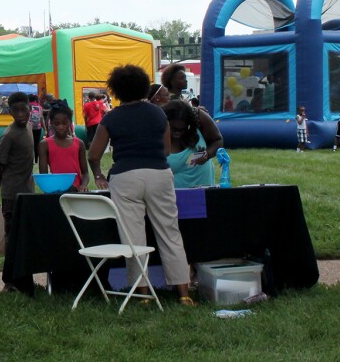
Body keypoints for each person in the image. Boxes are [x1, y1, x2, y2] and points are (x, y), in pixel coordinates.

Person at [88, 64, 196, 306]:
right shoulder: (158, 113)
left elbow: (94, 154)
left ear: (115, 90)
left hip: (125, 177)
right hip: (159, 173)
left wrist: (98, 175)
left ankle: (143, 293)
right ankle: (184, 293)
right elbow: (167, 149)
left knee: (133, 236)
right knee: (169, 232)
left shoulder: (111, 117)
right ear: (143, 87)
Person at [0, 91, 34, 292]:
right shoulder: (9, 136)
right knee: (12, 238)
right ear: (9, 112)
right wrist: (7, 186)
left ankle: (24, 279)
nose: (20, 114)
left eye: (23, 109)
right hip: (12, 195)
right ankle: (9, 282)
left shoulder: (29, 128)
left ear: (29, 109)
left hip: (27, 192)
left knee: (25, 237)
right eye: (15, 110)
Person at [163, 100, 223, 188]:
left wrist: (207, 154)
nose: (178, 133)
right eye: (174, 129)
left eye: (183, 129)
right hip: (172, 196)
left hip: (203, 190)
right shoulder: (158, 128)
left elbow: (218, 140)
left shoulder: (199, 117)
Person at [38, 100, 89, 191]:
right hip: (56, 189)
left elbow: (85, 173)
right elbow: (43, 176)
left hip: (76, 190)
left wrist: (84, 185)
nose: (61, 127)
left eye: (64, 123)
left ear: (70, 122)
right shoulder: (44, 145)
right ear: (51, 123)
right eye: (57, 124)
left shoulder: (79, 143)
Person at [28, 94, 43, 163]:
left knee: (29, 143)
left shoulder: (27, 106)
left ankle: (31, 159)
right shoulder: (39, 107)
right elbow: (41, 118)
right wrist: (45, 129)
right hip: (38, 127)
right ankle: (36, 159)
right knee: (36, 143)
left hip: (29, 127)